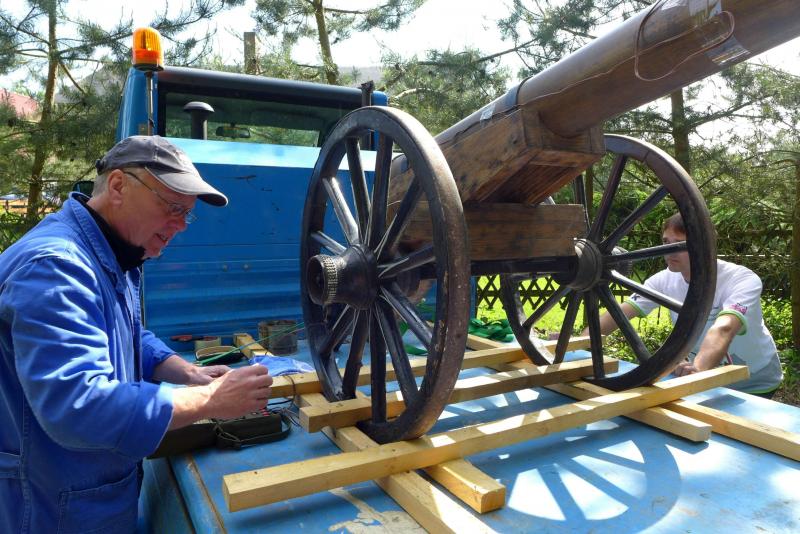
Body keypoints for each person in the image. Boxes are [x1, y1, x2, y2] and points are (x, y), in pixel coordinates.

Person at [0, 135, 273, 533]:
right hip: (51, 509)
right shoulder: (56, 266)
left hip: (88, 497)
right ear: (117, 186)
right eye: (173, 208)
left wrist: (186, 372)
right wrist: (210, 400)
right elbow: (78, 406)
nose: (180, 226)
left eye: (187, 214)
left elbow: (126, 333)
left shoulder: (112, 250)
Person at [586, 213, 783, 396]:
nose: (669, 251)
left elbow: (724, 328)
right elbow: (619, 314)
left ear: (705, 245)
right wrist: (579, 343)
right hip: (702, 375)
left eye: (680, 243)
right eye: (666, 242)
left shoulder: (741, 279)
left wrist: (697, 368)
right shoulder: (663, 280)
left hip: (754, 381)